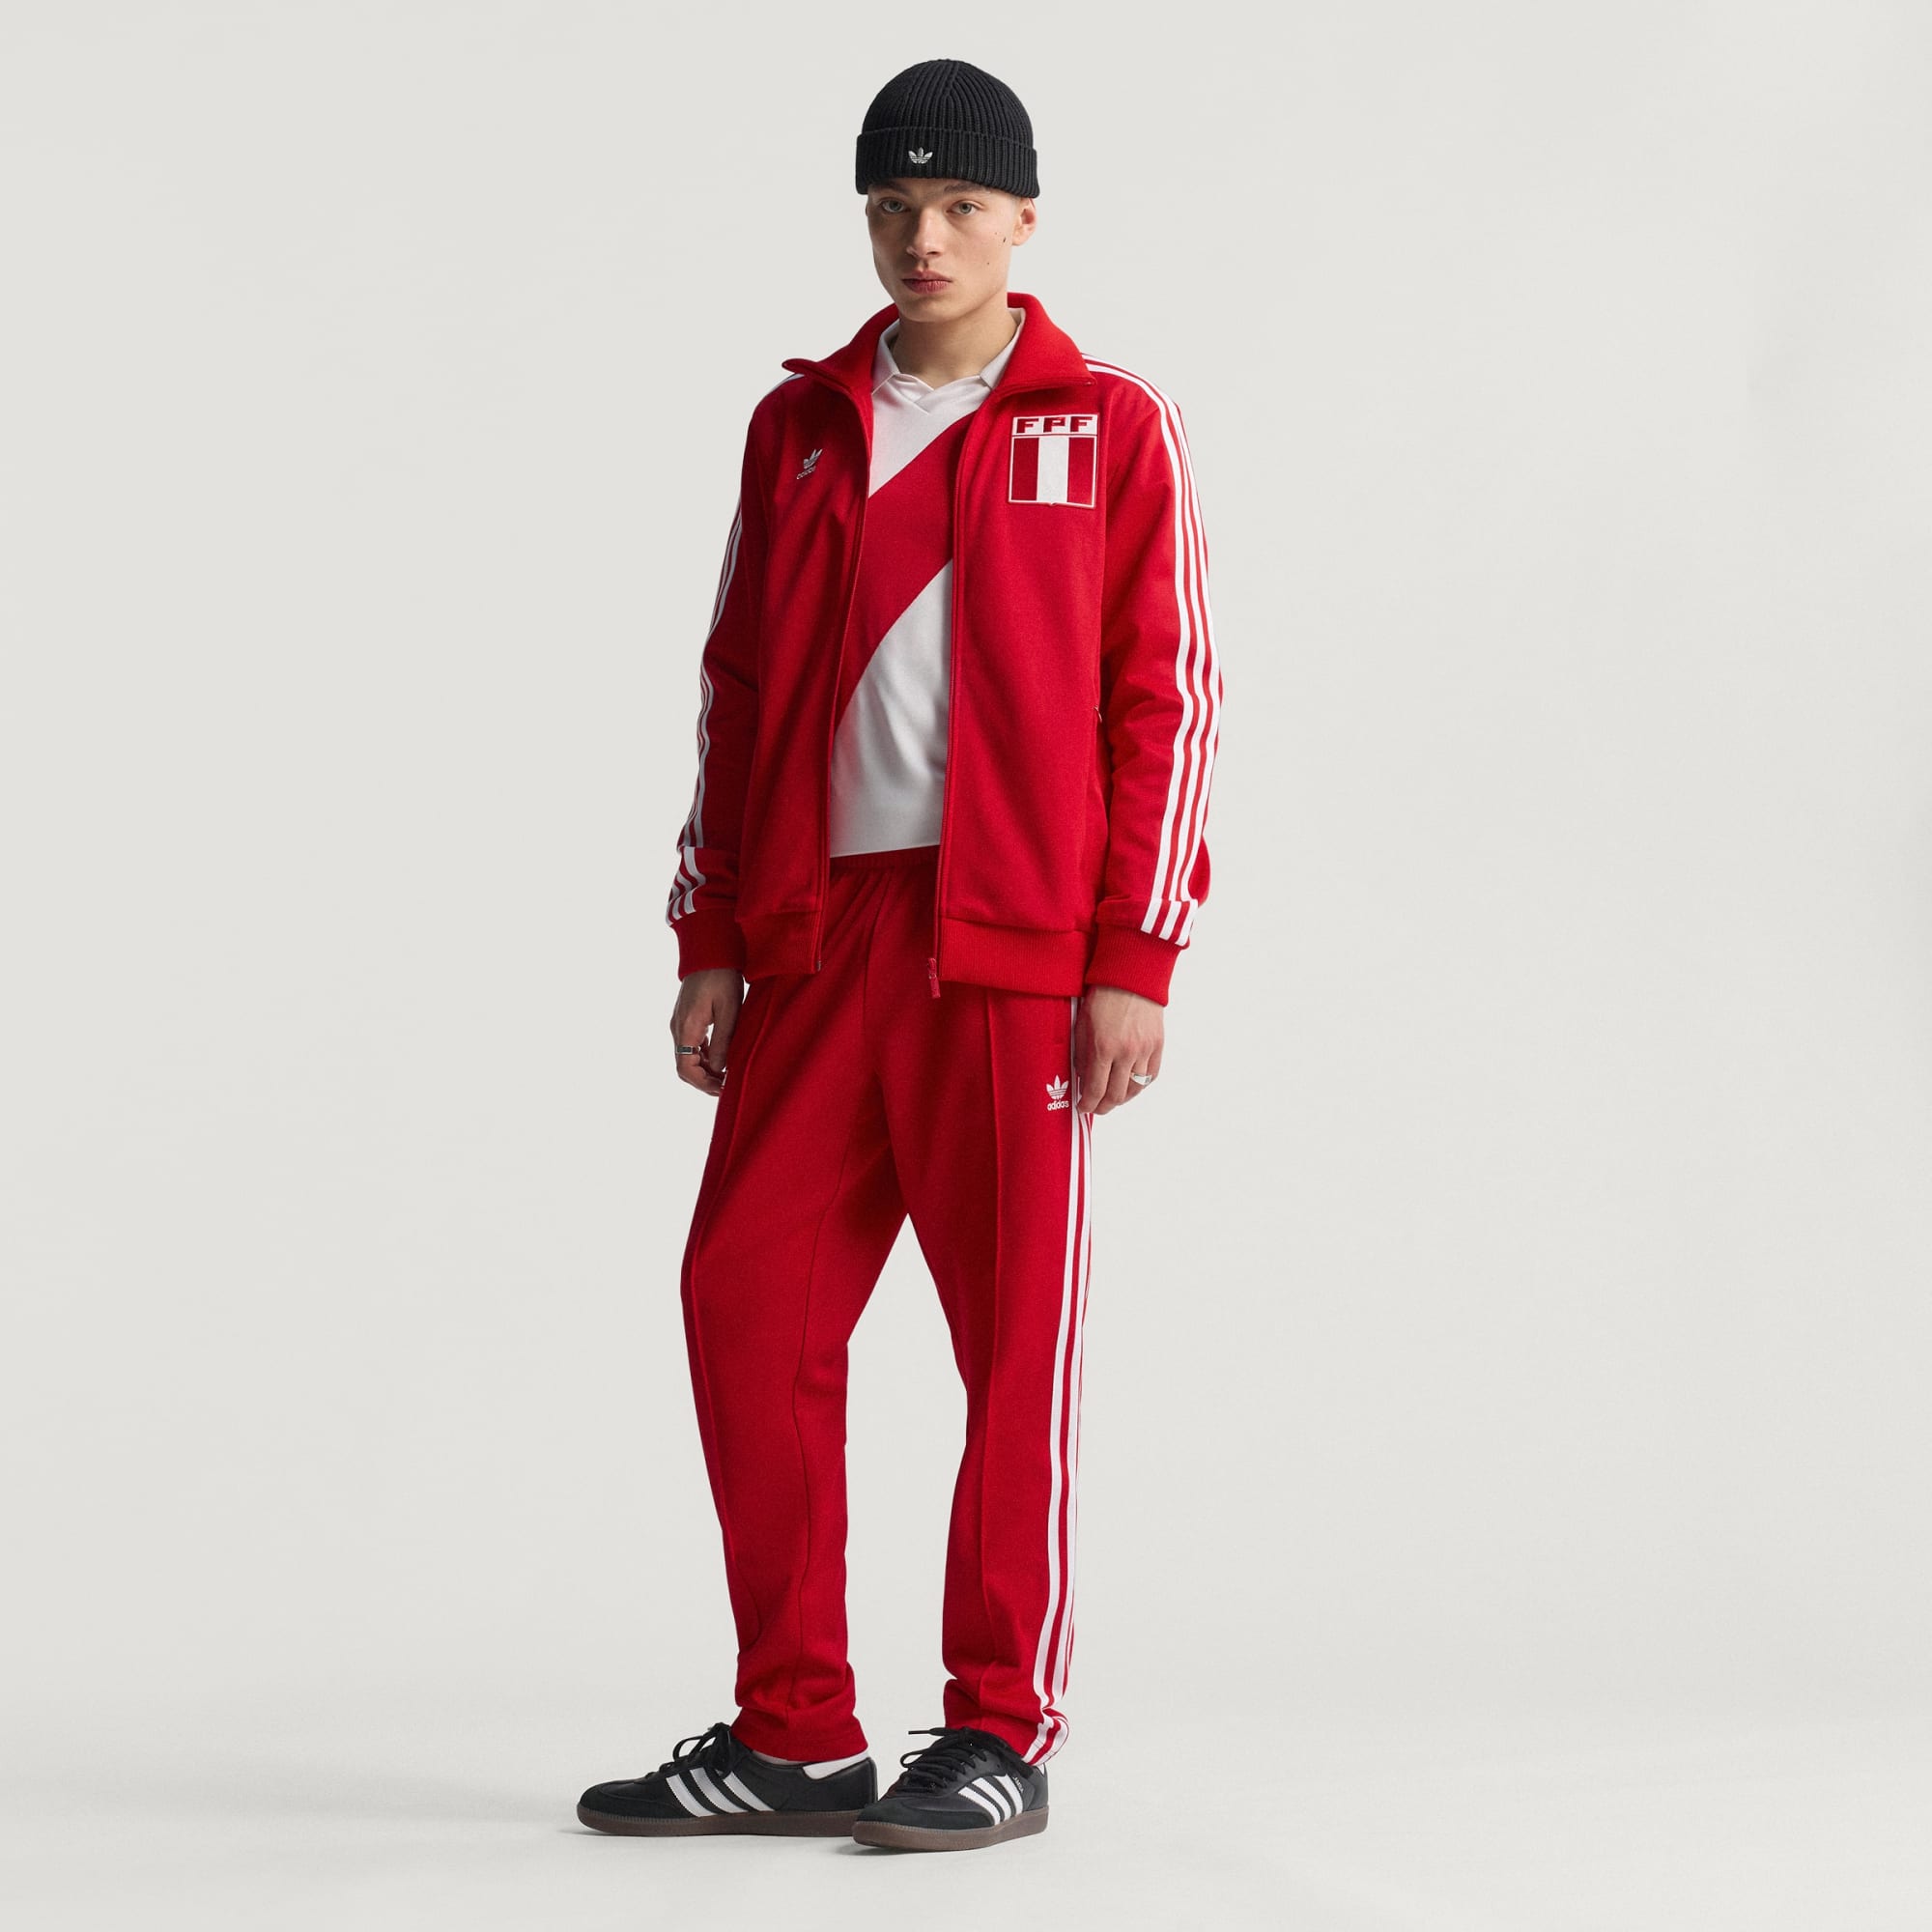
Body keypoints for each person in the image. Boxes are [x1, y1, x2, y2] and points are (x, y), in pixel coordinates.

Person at [577, 56, 1222, 1855]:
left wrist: (1135, 955)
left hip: (1011, 940)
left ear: (1024, 219)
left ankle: (1001, 1725)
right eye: (891, 207)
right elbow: (737, 687)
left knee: (1009, 1343)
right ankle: (795, 1731)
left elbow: (1166, 699)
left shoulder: (1107, 424)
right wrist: (713, 930)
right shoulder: (797, 428)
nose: (922, 237)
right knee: (745, 1299)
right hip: (814, 930)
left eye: (957, 206)